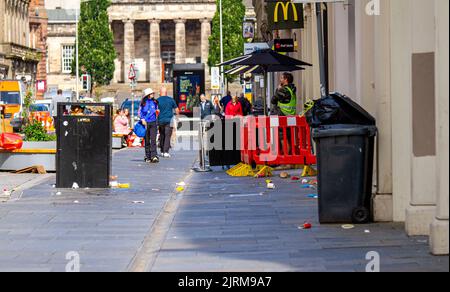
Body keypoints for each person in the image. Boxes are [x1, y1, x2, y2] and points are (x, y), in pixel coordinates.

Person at [157, 87, 179, 158]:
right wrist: (177, 116)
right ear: (166, 93)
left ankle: (162, 150)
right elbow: (177, 109)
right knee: (167, 135)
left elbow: (155, 110)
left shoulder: (157, 100)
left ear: (160, 92)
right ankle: (166, 151)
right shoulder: (171, 100)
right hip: (169, 120)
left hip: (160, 120)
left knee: (162, 134)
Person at [139, 88, 159, 163]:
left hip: (153, 122)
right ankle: (147, 156)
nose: (153, 95)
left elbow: (156, 110)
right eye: (151, 93)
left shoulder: (155, 102)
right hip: (145, 123)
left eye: (153, 93)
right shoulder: (143, 103)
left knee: (153, 139)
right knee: (147, 140)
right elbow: (140, 112)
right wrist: (142, 119)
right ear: (147, 95)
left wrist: (157, 112)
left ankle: (154, 156)